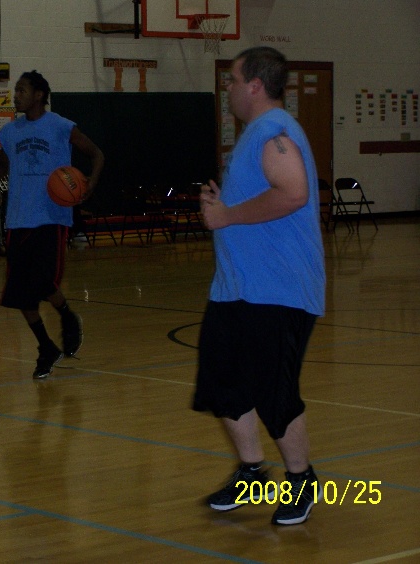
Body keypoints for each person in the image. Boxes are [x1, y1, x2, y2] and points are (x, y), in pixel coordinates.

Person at [192, 47, 326, 526]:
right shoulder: (255, 135)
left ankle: (302, 479)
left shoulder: (274, 130)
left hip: (279, 290)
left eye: (232, 79)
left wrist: (226, 214)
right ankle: (252, 473)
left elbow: (293, 193)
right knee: (223, 384)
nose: (227, 88)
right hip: (237, 289)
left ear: (254, 85)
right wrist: (221, 204)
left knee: (274, 393)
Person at [0, 70, 104, 379]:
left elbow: (97, 154)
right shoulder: (10, 132)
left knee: (43, 282)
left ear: (39, 95)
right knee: (20, 293)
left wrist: (91, 183)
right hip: (18, 219)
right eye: (16, 90)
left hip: (51, 217)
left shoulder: (61, 126)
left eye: (22, 90)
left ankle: (67, 316)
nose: (16, 95)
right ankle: (46, 347)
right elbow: (3, 168)